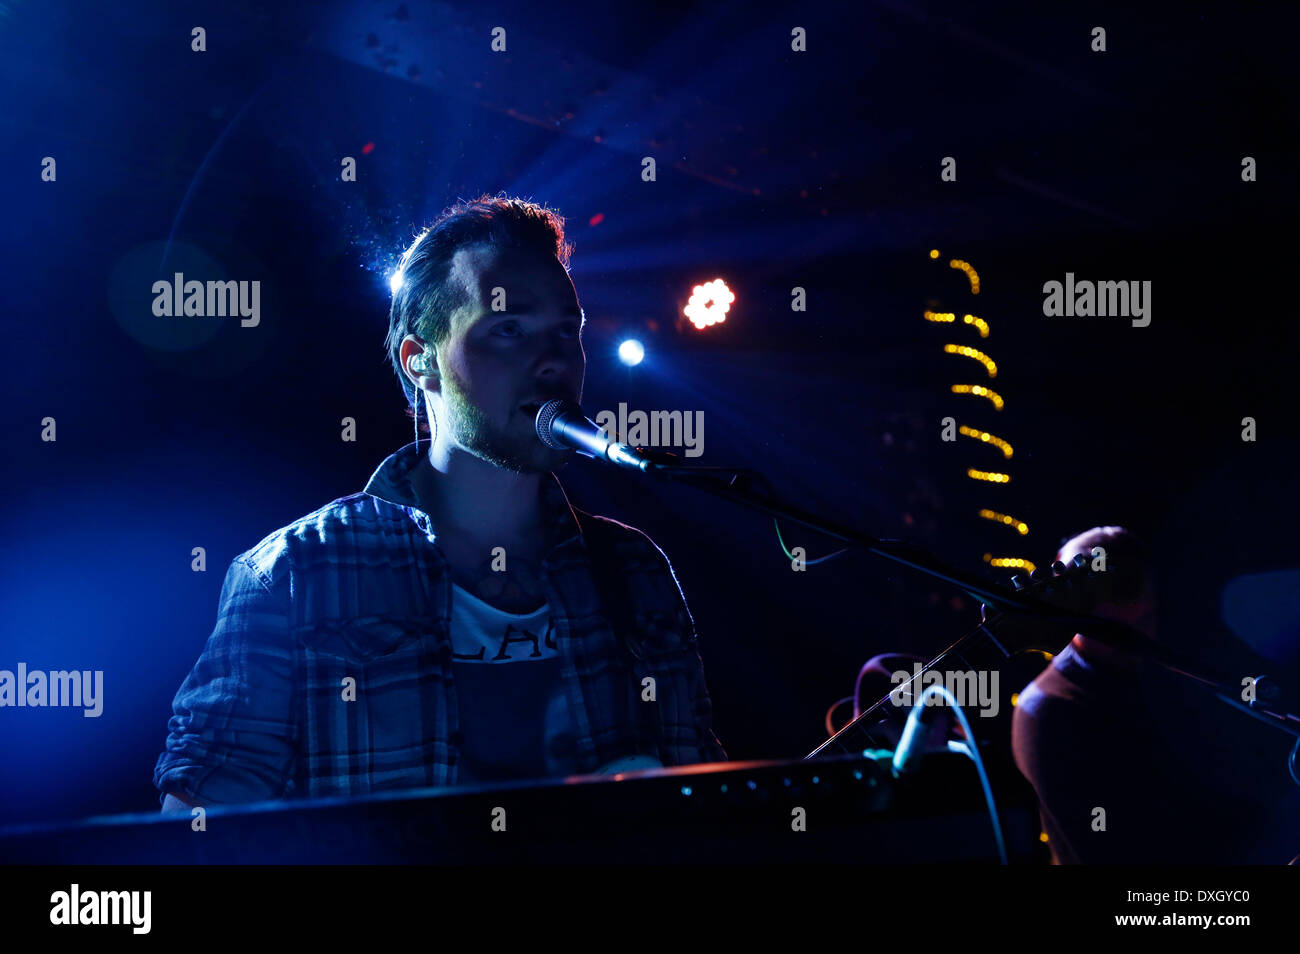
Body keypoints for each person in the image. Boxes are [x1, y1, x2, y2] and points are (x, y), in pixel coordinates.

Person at [155, 195, 726, 813]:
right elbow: (198, 828)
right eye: (509, 328)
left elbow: (702, 800)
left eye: (567, 330)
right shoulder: (295, 573)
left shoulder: (633, 567)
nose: (555, 359)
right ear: (420, 359)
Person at [1011, 526, 1288, 863]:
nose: (1137, 642)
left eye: (1145, 621)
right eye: (1116, 632)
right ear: (1073, 617)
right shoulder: (1048, 711)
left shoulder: (1162, 672)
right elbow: (1107, 851)